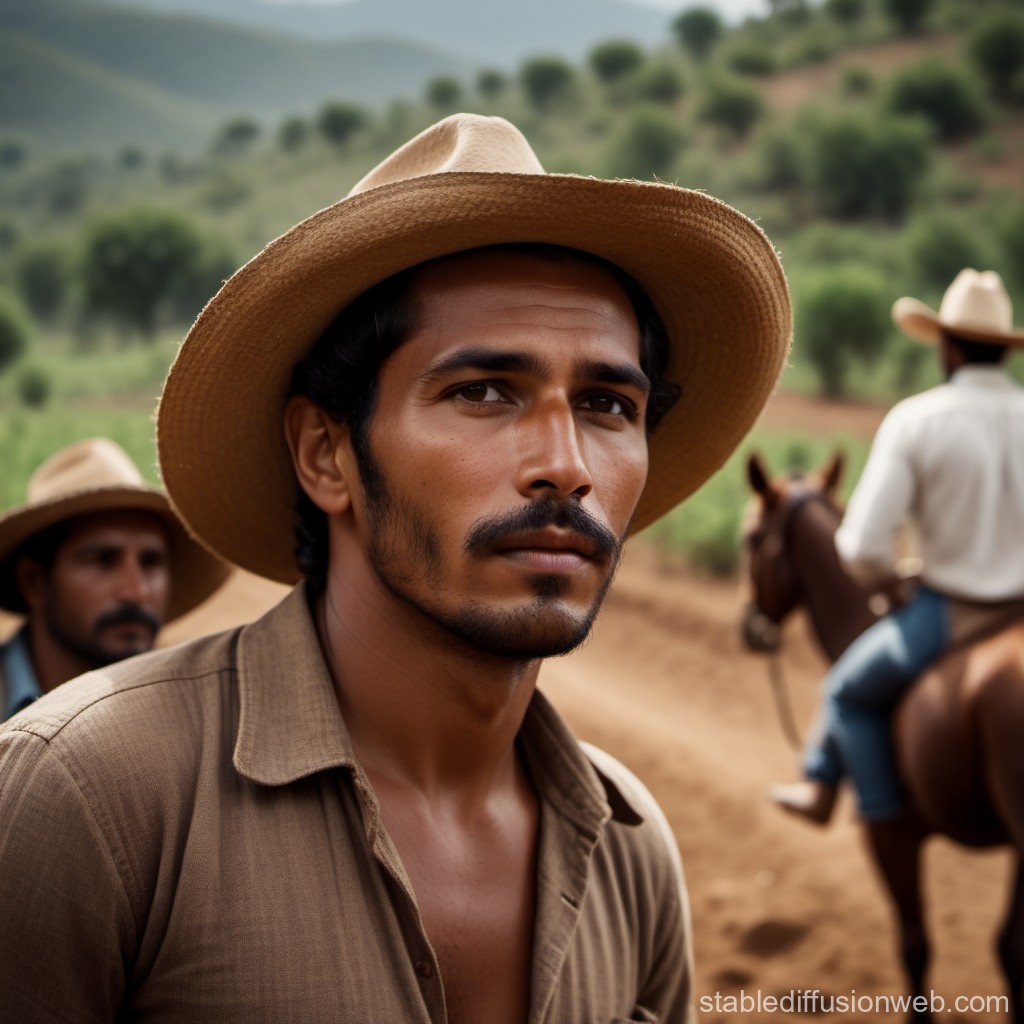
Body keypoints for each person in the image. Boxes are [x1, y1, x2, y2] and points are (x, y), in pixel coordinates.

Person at [0, 113, 791, 1022]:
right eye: (484, 392)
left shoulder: (631, 850)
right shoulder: (85, 803)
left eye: (609, 403)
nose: (567, 464)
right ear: (326, 453)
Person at [771, 268, 1024, 826]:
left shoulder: (918, 421)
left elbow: (861, 547)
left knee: (845, 693)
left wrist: (893, 583)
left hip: (951, 612)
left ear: (948, 347)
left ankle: (846, 799)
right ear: (1003, 352)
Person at [0, 437, 229, 720]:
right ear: (34, 582)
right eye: (103, 560)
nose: (136, 592)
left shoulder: (199, 714)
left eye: (151, 561)